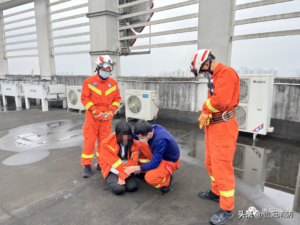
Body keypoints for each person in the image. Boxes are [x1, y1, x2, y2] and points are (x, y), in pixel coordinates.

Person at [190, 49, 240, 225]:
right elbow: (216, 102)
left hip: (224, 127)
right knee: (210, 162)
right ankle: (216, 192)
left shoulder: (226, 73)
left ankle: (227, 209)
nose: (203, 74)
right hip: (214, 125)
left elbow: (220, 101)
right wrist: (206, 111)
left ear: (206, 63)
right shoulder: (216, 76)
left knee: (222, 167)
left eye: (202, 70)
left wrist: (204, 106)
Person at [81, 55, 121, 178]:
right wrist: (94, 110)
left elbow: (116, 99)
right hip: (92, 118)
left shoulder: (113, 83)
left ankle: (101, 162)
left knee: (104, 142)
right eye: (104, 69)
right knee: (89, 141)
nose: (106, 71)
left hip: (106, 118)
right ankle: (87, 165)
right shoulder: (89, 82)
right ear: (98, 68)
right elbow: (84, 98)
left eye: (108, 69)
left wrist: (112, 112)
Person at [124, 120, 180, 193]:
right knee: (140, 145)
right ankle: (144, 172)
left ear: (149, 134)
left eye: (141, 137)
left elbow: (155, 163)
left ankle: (166, 179)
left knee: (150, 178)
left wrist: (135, 168)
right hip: (159, 153)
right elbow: (135, 135)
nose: (139, 138)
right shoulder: (151, 128)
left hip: (169, 160)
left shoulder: (161, 140)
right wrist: (121, 135)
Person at [100, 121, 145, 195]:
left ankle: (120, 179)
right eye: (122, 135)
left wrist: (123, 175)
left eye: (127, 135)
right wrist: (121, 175)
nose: (125, 138)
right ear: (117, 134)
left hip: (126, 168)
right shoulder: (106, 144)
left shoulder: (134, 143)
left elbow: (133, 161)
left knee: (132, 187)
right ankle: (109, 179)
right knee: (119, 189)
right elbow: (112, 163)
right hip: (112, 169)